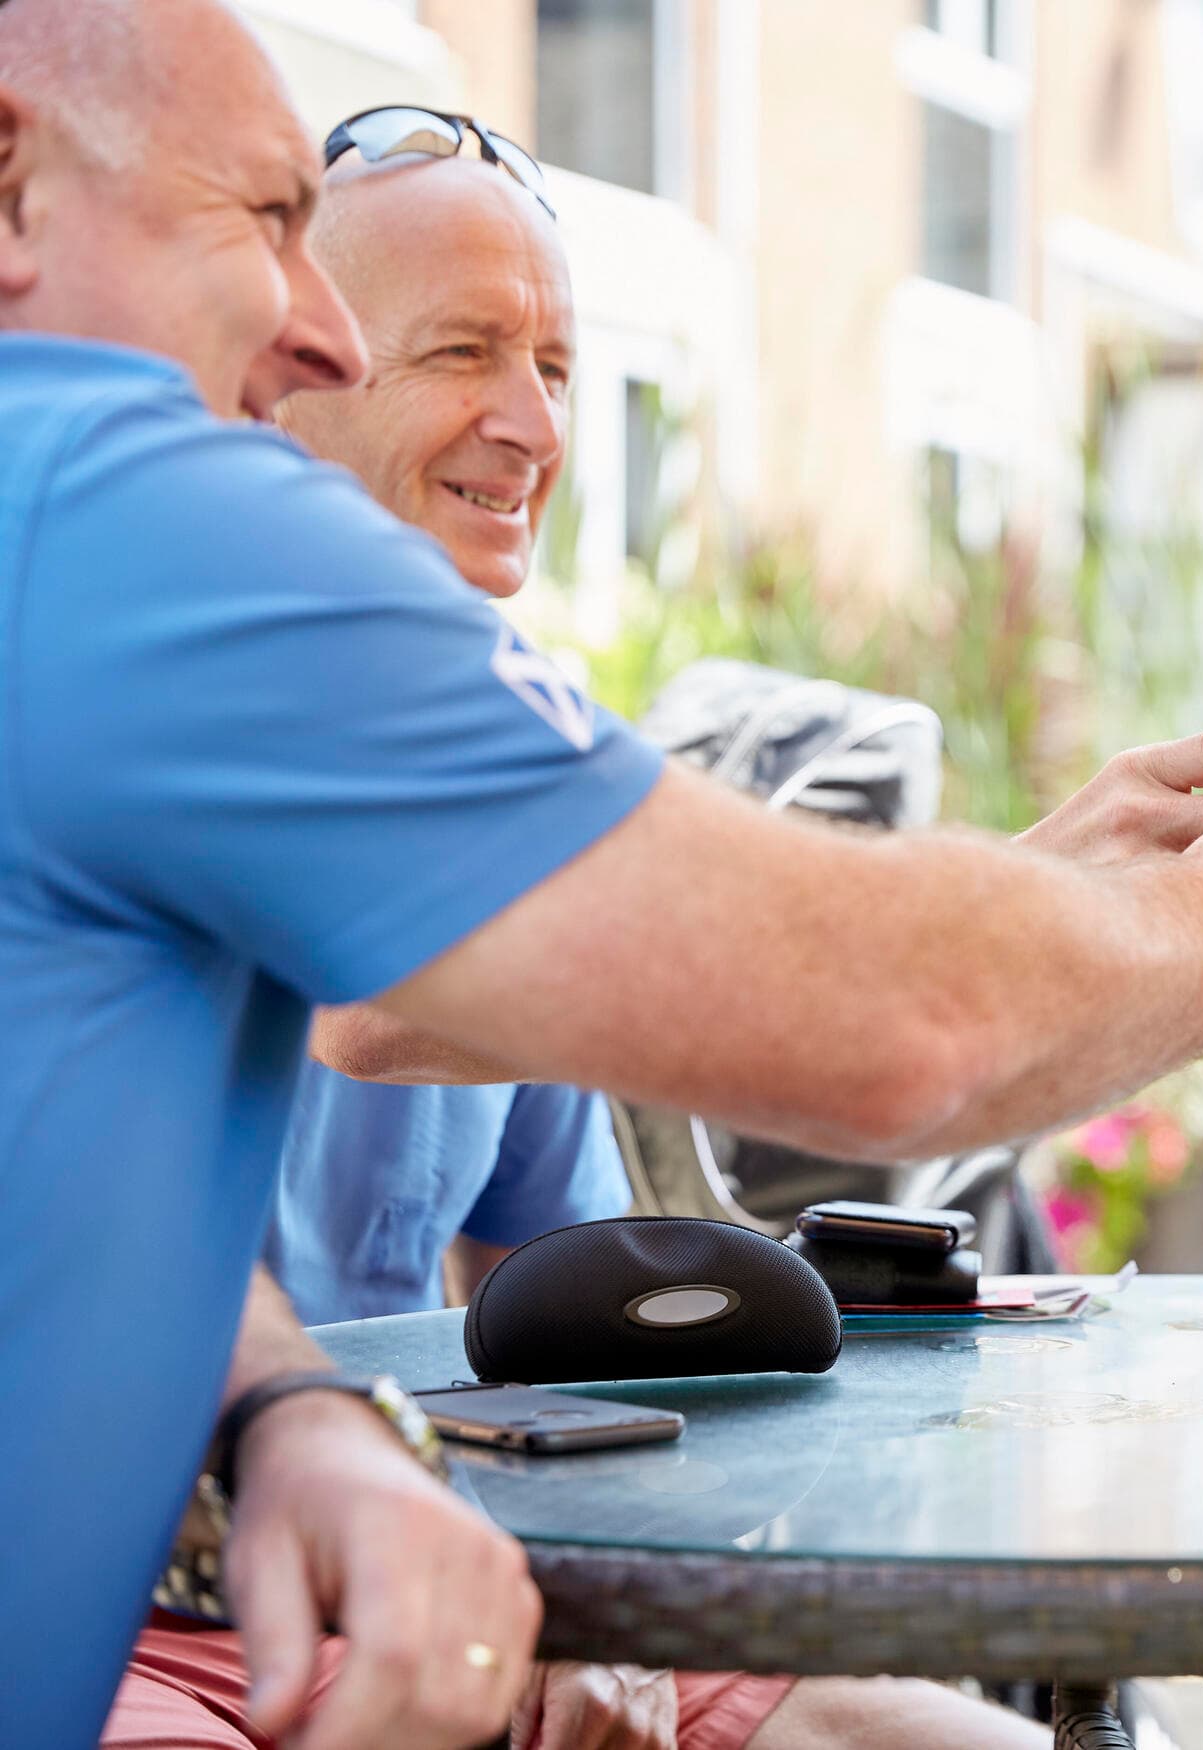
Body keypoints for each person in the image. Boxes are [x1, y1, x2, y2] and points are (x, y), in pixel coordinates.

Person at [0, 5, 1203, 1745]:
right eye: (257, 224)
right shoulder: (127, 521)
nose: (312, 332)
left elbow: (104, 1196)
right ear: (11, 185)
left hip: (345, 1565)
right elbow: (891, 1028)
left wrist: (292, 1414)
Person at [100, 142, 1045, 1750]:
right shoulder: (104, 721)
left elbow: (569, 1315)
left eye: (552, 368)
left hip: (446, 1583)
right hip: (124, 1616)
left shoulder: (529, 781)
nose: (534, 426)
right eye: (463, 353)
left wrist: (595, 1603)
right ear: (290, 377)